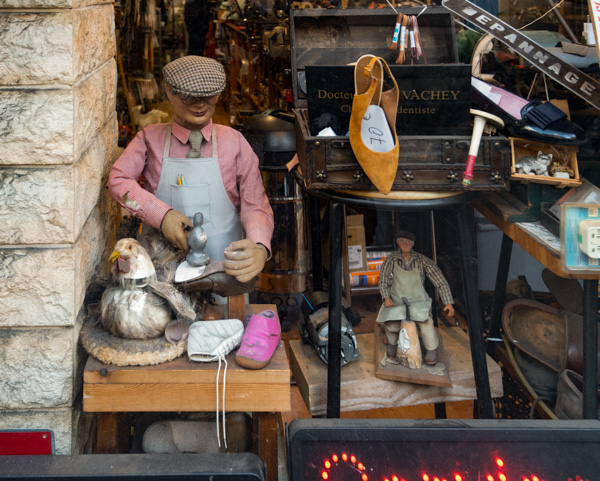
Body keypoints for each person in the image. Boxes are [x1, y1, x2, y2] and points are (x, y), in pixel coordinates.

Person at [107, 56, 274, 284]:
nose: (200, 105)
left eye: (210, 95)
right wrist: (161, 214)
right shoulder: (149, 139)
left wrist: (259, 245)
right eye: (188, 96)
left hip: (223, 272)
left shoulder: (235, 143)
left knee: (223, 319)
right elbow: (118, 182)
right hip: (162, 269)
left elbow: (255, 205)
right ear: (169, 91)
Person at [376, 230, 455, 366]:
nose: (405, 245)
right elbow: (383, 279)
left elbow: (439, 279)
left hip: (418, 299)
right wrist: (386, 297)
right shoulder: (391, 259)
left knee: (425, 321)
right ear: (397, 243)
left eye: (408, 242)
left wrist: (447, 302)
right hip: (397, 299)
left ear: (413, 244)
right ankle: (392, 346)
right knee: (392, 322)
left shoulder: (421, 260)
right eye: (402, 242)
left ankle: (431, 350)